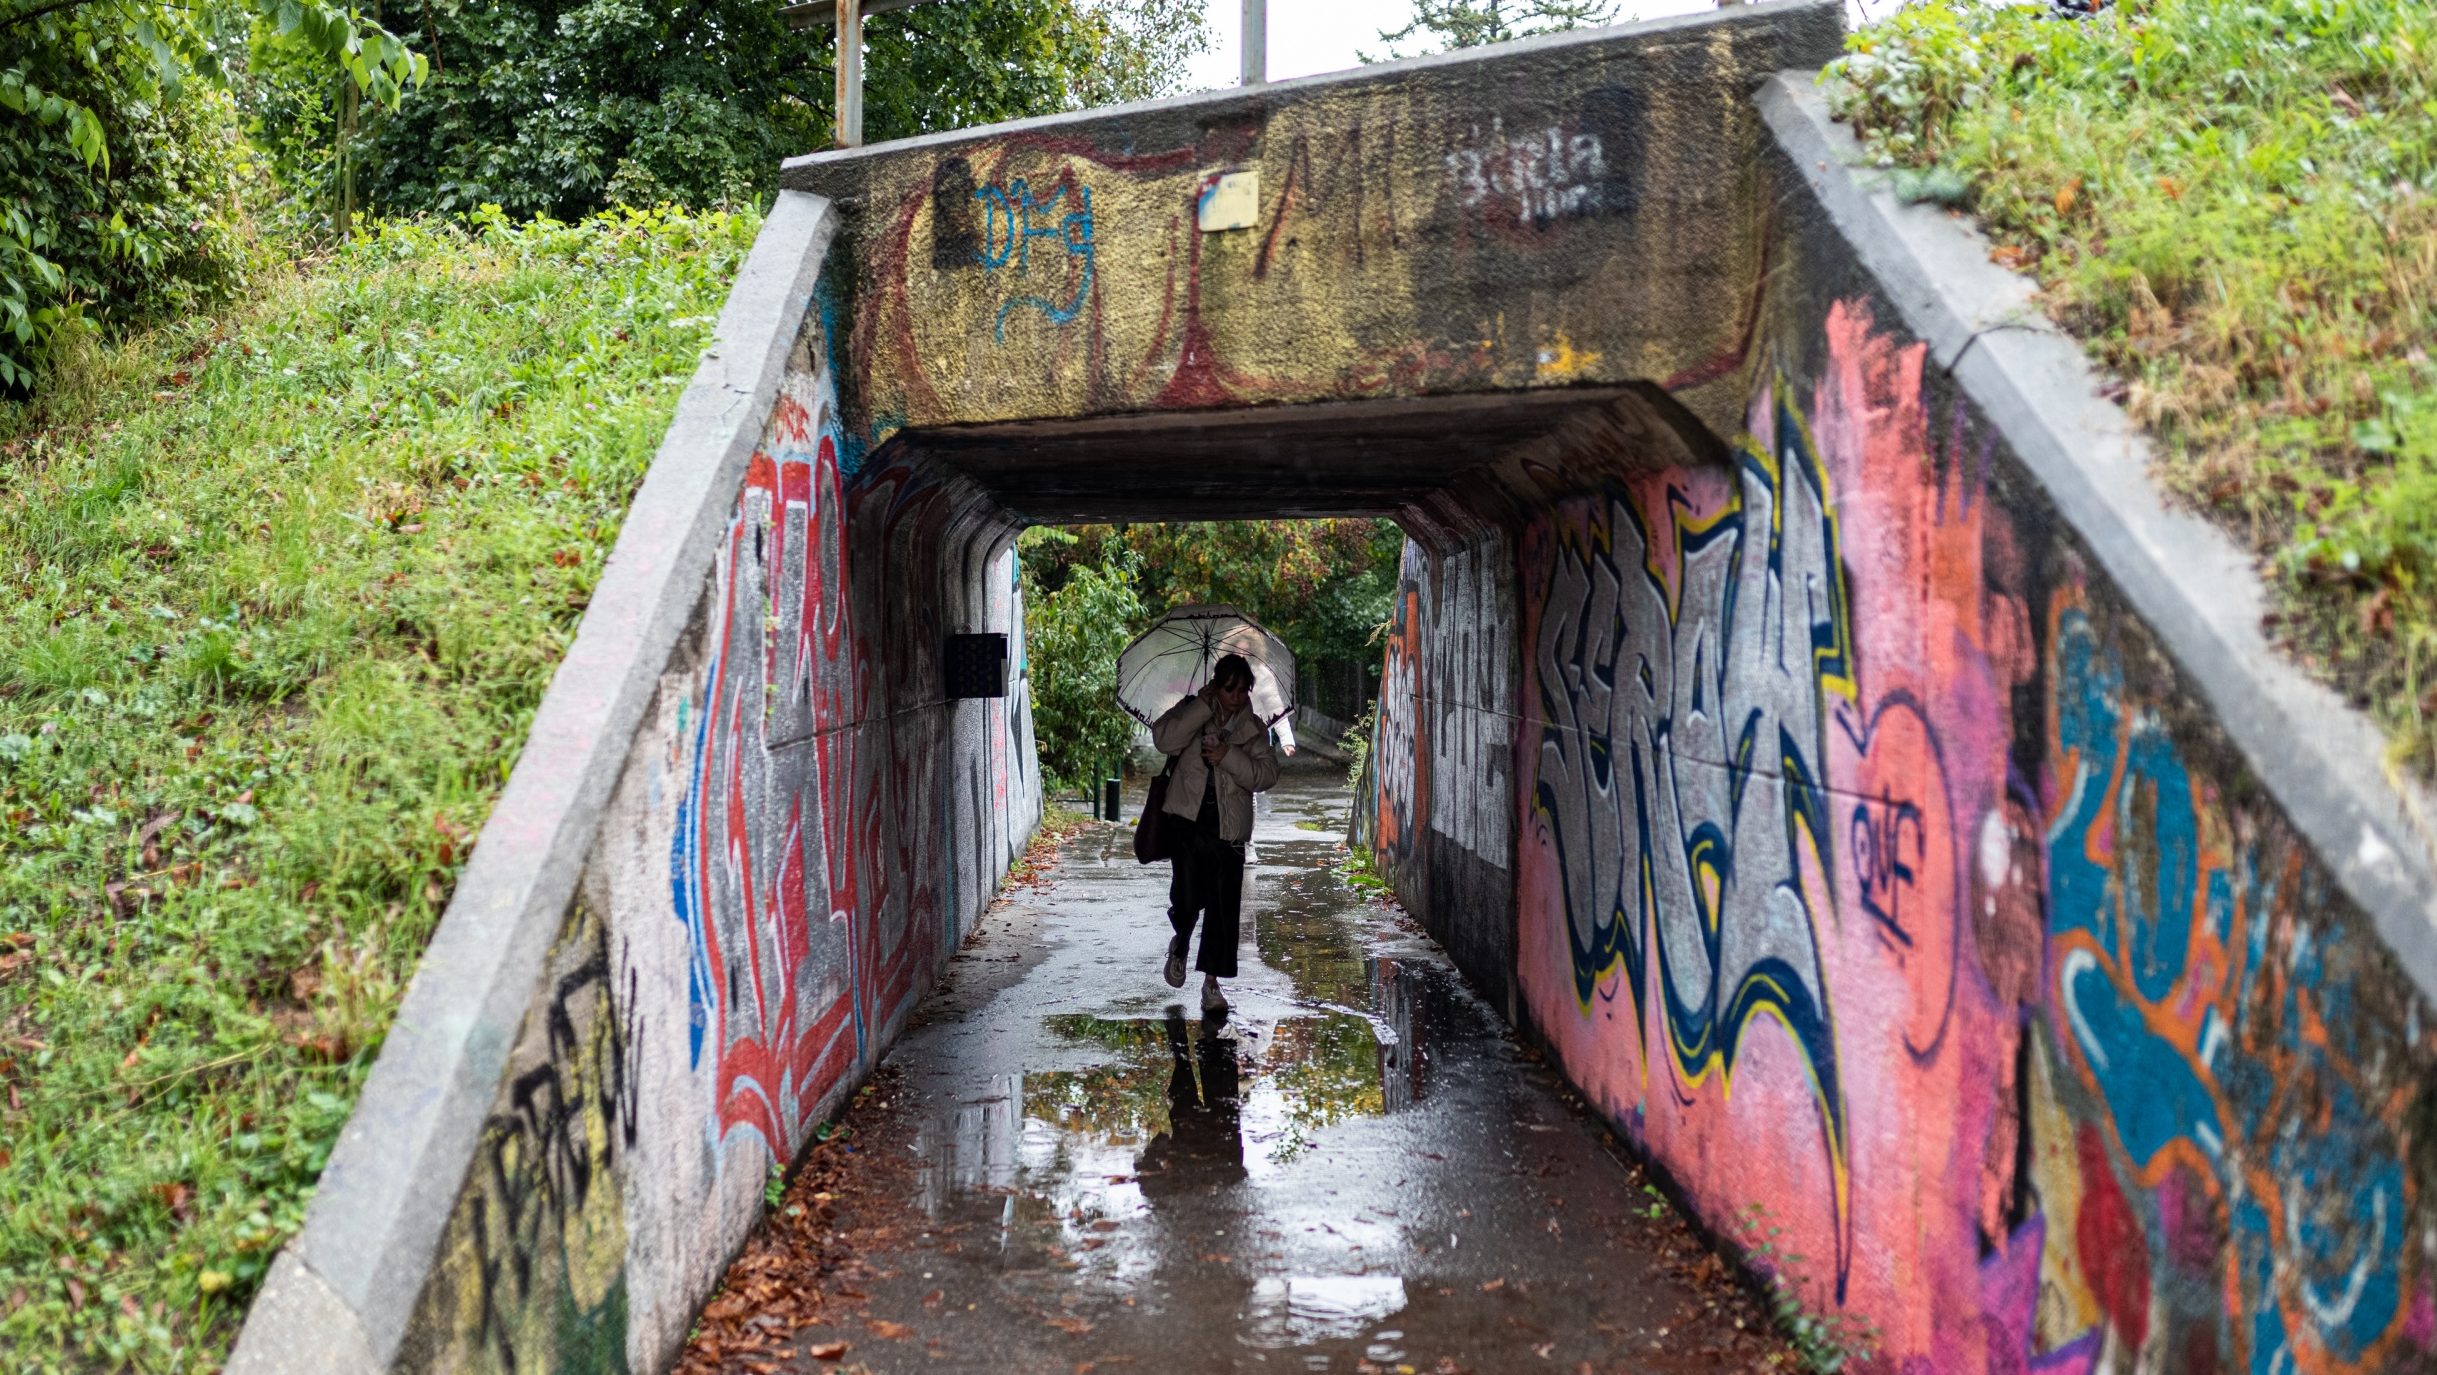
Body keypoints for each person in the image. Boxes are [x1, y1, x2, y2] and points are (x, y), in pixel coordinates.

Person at [1151, 653, 1280, 1016]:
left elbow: (1266, 775)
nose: (1237, 696)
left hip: (1230, 830)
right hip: (1187, 823)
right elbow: (1163, 740)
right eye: (1230, 689)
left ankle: (1211, 984)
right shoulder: (1193, 709)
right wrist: (1200, 710)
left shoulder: (1253, 727)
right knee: (1188, 896)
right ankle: (1180, 943)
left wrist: (1226, 756)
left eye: (1243, 690)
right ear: (1216, 685)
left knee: (1223, 911)